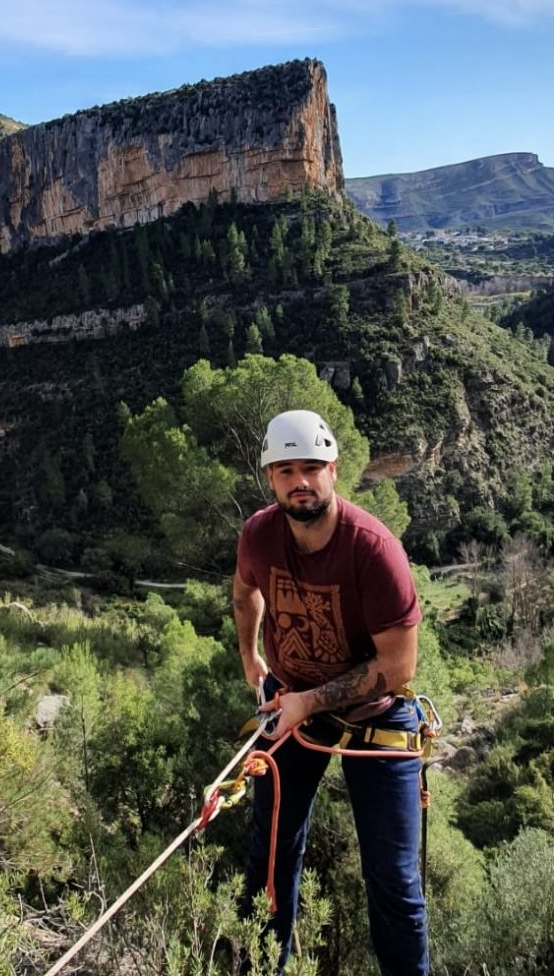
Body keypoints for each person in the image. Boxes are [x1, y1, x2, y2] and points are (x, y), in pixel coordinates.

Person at [232, 409, 428, 976]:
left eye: (312, 468)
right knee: (269, 860)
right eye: (286, 470)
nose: (301, 481)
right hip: (290, 698)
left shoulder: (373, 548)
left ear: (334, 470)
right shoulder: (260, 535)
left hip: (376, 712)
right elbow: (246, 592)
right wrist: (251, 659)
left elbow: (397, 665)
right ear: (270, 478)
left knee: (393, 882)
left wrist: (308, 702)